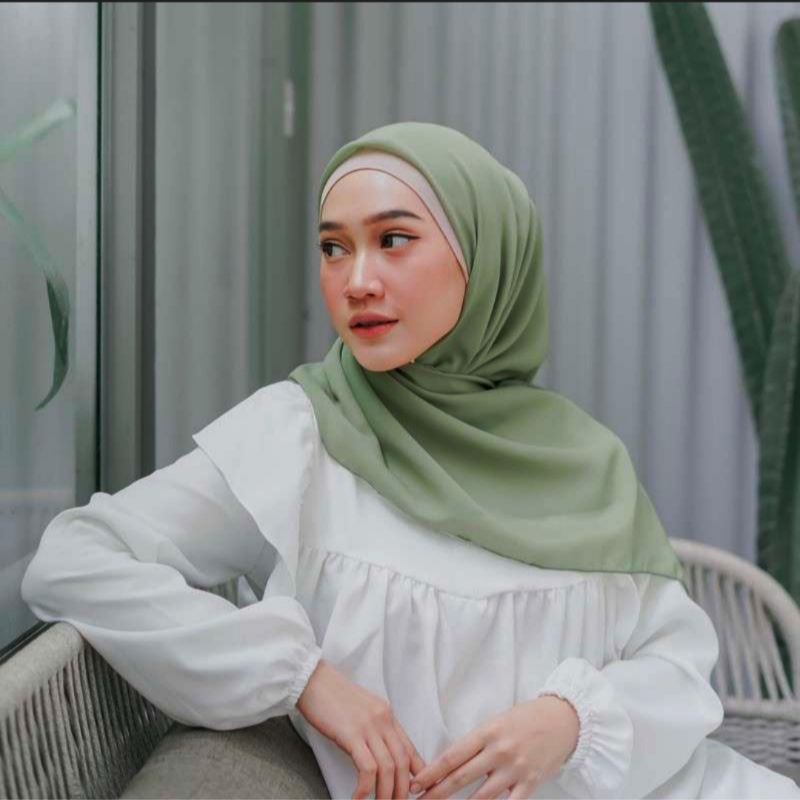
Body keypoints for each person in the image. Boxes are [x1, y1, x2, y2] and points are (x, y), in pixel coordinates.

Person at [20, 121, 800, 800]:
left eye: (393, 240)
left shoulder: (585, 460)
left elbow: (678, 665)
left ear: (485, 259)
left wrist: (566, 722)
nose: (357, 281)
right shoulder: (299, 436)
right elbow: (77, 558)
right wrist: (305, 680)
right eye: (334, 248)